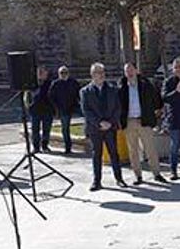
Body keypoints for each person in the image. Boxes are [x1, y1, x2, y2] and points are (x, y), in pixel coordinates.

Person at [80, 62, 127, 191]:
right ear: (92, 75)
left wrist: (110, 122)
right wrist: (99, 123)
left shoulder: (112, 89)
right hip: (95, 129)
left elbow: (118, 108)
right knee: (97, 154)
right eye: (97, 73)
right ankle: (97, 181)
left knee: (114, 153)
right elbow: (86, 111)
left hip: (110, 128)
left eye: (102, 72)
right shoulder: (85, 92)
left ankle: (119, 178)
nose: (100, 75)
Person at [119, 62, 167, 184]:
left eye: (131, 69)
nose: (129, 72)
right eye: (126, 70)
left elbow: (156, 99)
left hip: (143, 121)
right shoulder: (121, 86)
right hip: (129, 122)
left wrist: (157, 111)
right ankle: (138, 176)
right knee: (133, 150)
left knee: (150, 148)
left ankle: (156, 173)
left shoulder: (145, 84)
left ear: (136, 70)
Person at [49, 65, 81, 155]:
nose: (64, 75)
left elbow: (79, 93)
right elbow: (51, 97)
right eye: (61, 73)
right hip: (63, 109)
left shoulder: (73, 82)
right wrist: (56, 108)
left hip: (74, 106)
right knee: (65, 128)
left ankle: (87, 135)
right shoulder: (55, 84)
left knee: (89, 117)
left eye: (65, 72)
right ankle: (68, 147)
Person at [29, 66, 54, 153]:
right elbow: (27, 97)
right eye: (39, 72)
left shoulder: (50, 84)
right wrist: (29, 106)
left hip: (47, 110)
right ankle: (36, 147)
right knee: (35, 130)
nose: (40, 74)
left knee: (46, 129)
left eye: (42, 72)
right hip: (35, 111)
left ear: (46, 74)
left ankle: (45, 146)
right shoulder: (32, 84)